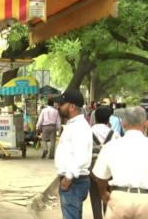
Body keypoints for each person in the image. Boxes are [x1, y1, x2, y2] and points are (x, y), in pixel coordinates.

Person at [93, 107, 148, 219]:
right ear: (146, 123)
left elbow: (100, 177)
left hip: (119, 198)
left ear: (123, 123)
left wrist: (103, 193)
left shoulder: (111, 146)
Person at [53, 89, 93, 219]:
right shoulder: (73, 124)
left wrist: (68, 177)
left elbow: (81, 155)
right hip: (74, 180)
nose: (58, 107)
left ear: (72, 107)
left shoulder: (79, 127)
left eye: (62, 104)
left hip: (73, 181)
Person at [89, 106, 120, 219]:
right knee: (107, 197)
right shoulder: (115, 134)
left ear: (95, 118)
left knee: (95, 197)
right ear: (109, 119)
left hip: (92, 172)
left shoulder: (88, 132)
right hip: (110, 172)